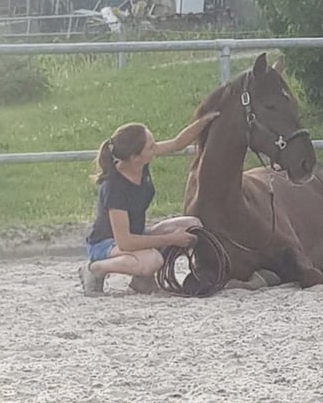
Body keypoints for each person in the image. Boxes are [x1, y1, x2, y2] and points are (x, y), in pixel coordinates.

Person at [78, 112, 219, 296]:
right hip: (107, 243)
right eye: (151, 147)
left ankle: (141, 281)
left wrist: (205, 121)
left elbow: (177, 143)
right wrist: (171, 239)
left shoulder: (140, 162)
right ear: (136, 157)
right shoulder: (114, 187)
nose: (156, 148)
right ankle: (96, 268)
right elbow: (126, 242)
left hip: (133, 234)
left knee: (192, 224)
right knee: (152, 260)